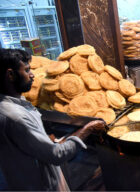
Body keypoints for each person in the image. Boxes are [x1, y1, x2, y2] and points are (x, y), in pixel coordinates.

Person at [0, 49, 106, 190]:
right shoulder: (15, 117)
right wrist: (88, 128)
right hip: (39, 185)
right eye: (26, 70)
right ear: (11, 74)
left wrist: (51, 140)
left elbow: (32, 143)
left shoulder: (16, 103)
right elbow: (57, 155)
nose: (32, 75)